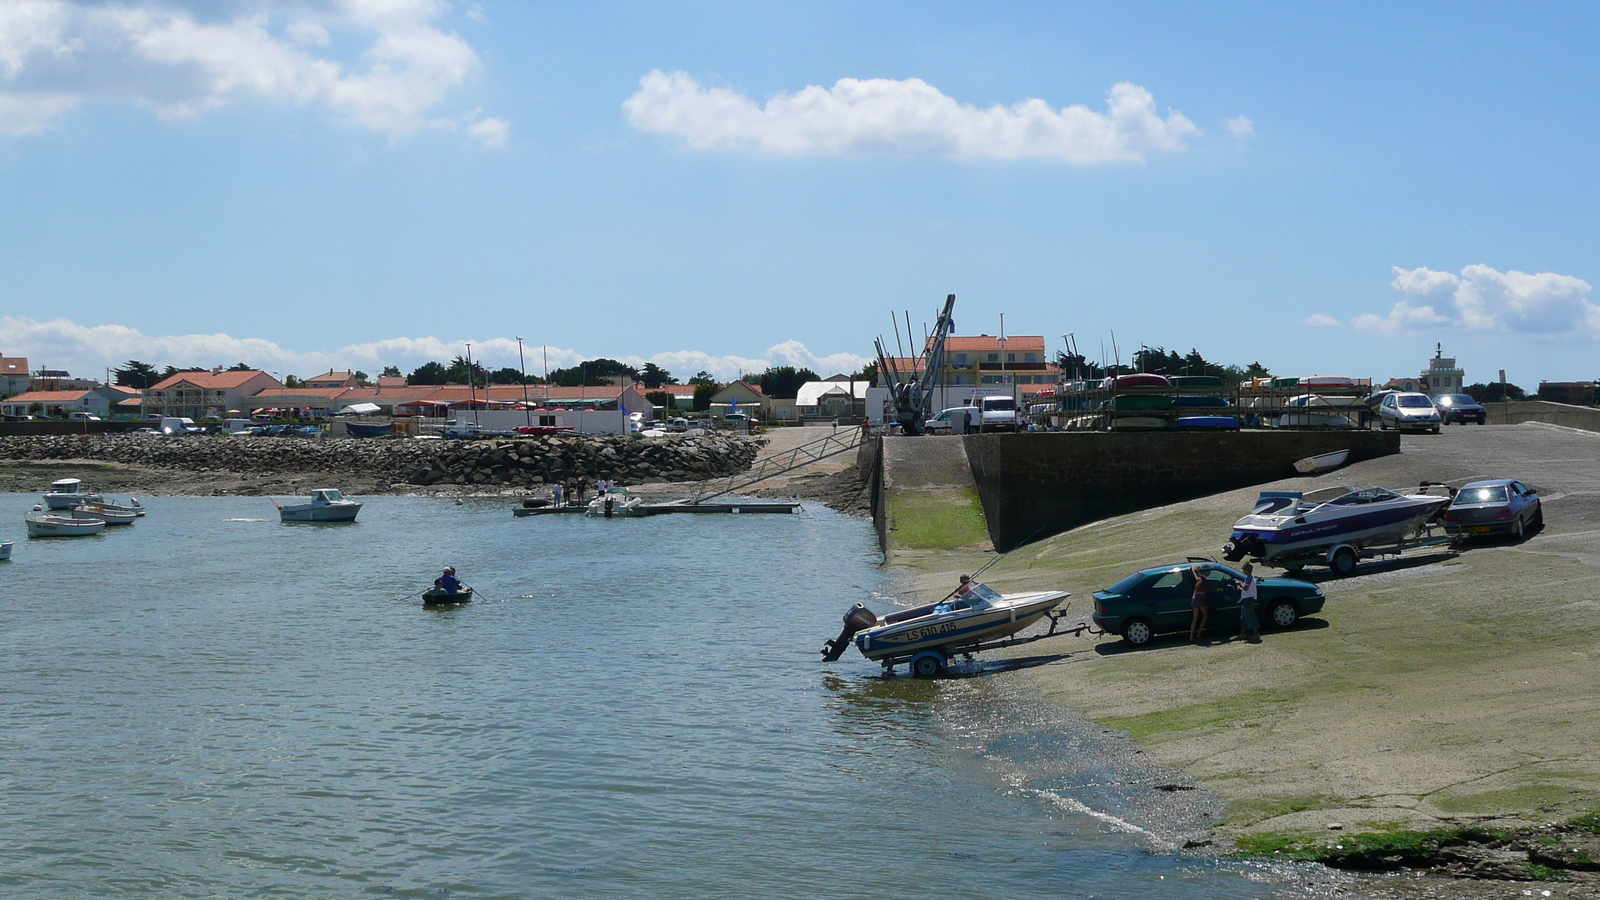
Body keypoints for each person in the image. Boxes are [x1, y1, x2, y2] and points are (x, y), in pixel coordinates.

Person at [1236, 562, 1261, 639]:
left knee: (1250, 616)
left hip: (1248, 599)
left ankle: (1256, 633)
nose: (1243, 571)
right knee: (1243, 617)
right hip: (1246, 599)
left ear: (1247, 570)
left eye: (1243, 569)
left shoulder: (1249, 578)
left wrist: (1240, 584)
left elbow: (1246, 588)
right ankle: (1243, 633)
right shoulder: (1249, 578)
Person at [1189, 565, 1211, 640]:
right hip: (1201, 598)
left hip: (1195, 598)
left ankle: (1191, 635)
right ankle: (1198, 633)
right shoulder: (1201, 579)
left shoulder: (1200, 578)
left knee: (1195, 618)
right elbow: (1197, 587)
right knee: (1205, 616)